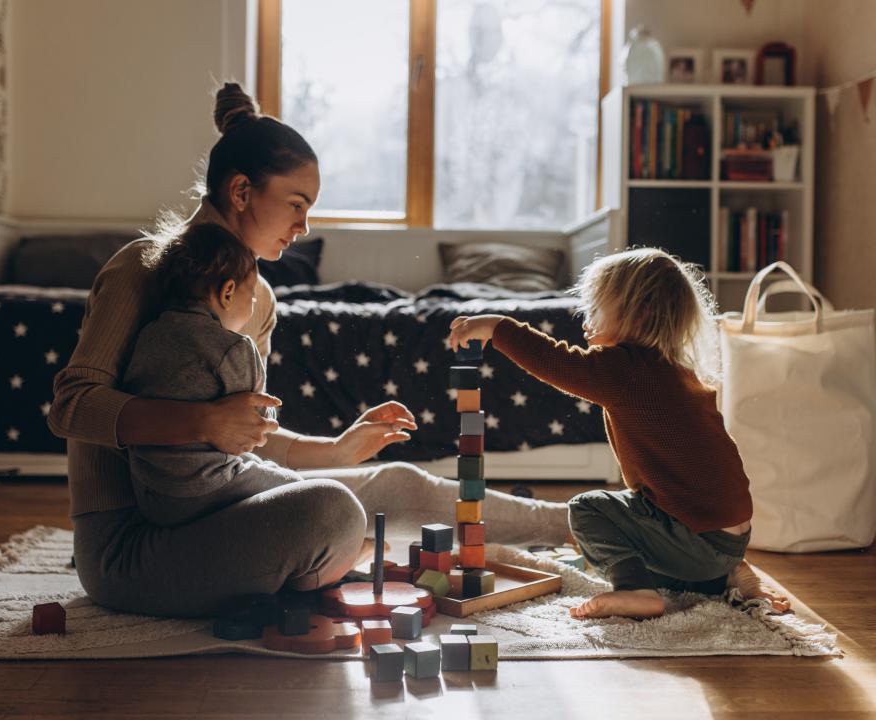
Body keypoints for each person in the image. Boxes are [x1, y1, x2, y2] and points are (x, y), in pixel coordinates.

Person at [49, 82, 571, 619]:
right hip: (130, 546)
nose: (304, 227)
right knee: (330, 513)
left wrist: (336, 451)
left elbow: (246, 437)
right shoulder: (141, 267)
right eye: (296, 205)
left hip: (218, 507)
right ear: (241, 191)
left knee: (395, 482)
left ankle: (577, 525)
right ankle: (315, 566)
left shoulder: (261, 300)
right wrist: (203, 422)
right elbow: (71, 406)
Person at [448, 248, 791, 620]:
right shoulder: (674, 369)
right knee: (634, 535)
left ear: (637, 313)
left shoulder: (627, 368)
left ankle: (635, 590)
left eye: (595, 310)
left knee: (587, 510)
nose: (585, 321)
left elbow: (557, 362)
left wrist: (498, 327)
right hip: (729, 536)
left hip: (697, 536)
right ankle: (723, 575)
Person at [122, 223, 304, 527]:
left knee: (253, 466)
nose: (253, 308)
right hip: (209, 485)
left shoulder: (148, 334)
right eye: (253, 299)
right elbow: (259, 420)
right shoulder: (233, 346)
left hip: (152, 495)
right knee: (301, 489)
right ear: (228, 292)